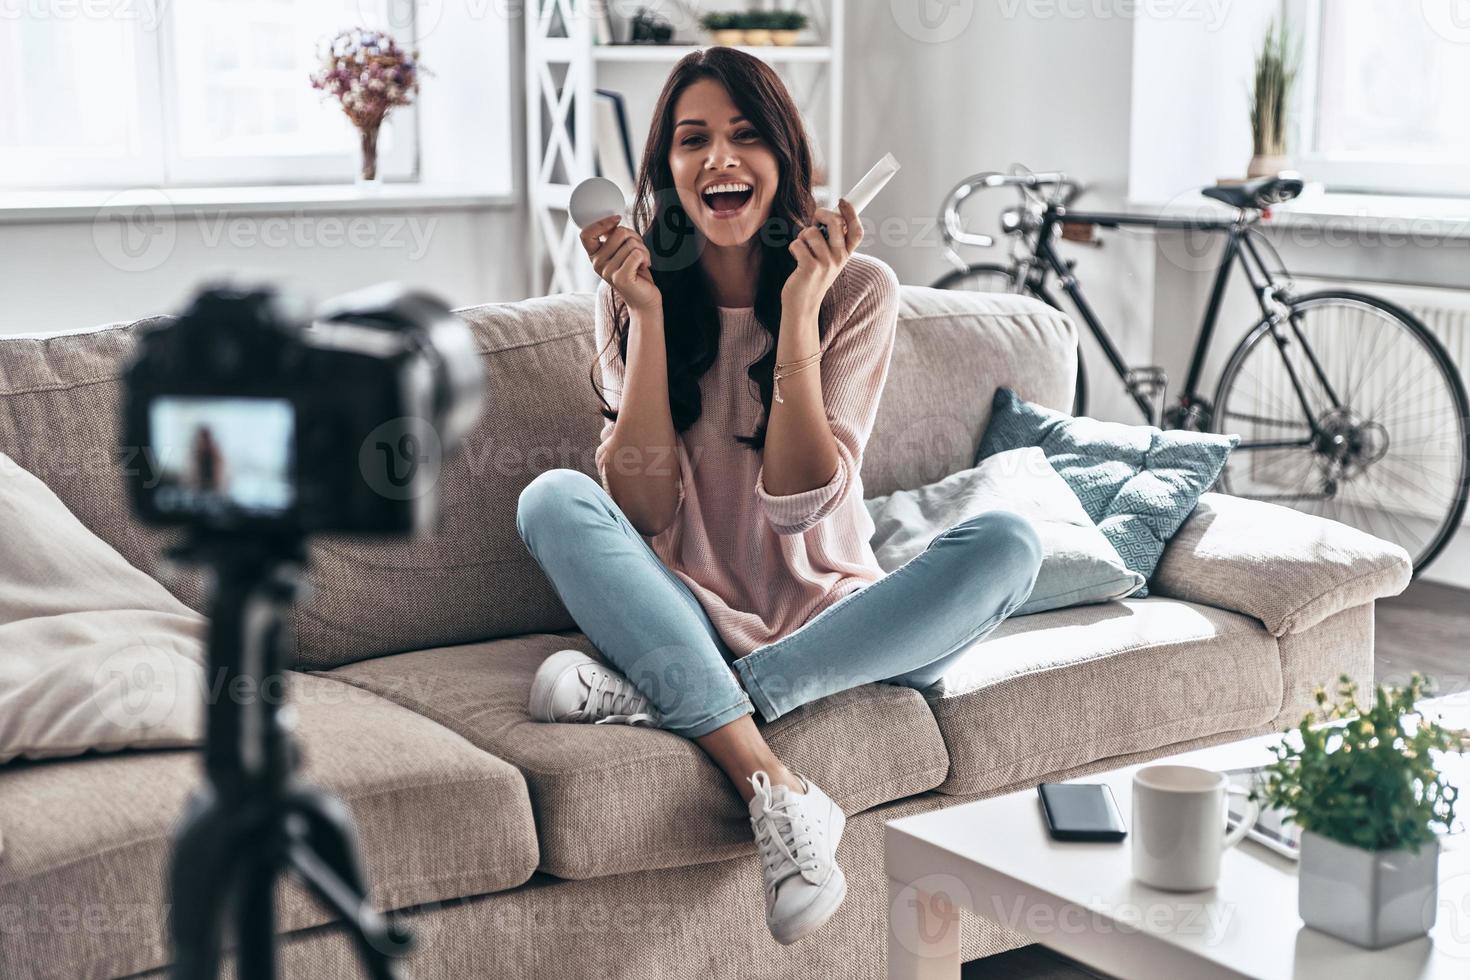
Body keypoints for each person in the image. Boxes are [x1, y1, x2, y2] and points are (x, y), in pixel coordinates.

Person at [516, 47, 1042, 945]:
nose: (718, 159)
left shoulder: (858, 293)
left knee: (1009, 546)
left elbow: (800, 501)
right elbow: (639, 515)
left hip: (844, 625)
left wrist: (799, 311)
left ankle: (679, 700)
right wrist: (644, 315)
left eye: (744, 135)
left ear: (786, 157)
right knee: (552, 499)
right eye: (693, 141)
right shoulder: (624, 299)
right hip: (682, 610)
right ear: (666, 172)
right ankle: (771, 777)